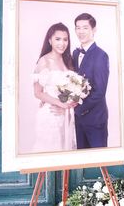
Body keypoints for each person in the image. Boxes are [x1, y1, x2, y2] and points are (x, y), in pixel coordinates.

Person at [32, 22, 77, 153]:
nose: (62, 43)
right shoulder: (44, 61)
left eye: (65, 39)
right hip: (51, 114)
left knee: (66, 154)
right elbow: (38, 92)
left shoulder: (68, 60)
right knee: (49, 153)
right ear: (50, 40)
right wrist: (60, 104)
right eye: (58, 39)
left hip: (67, 115)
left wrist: (68, 105)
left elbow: (74, 89)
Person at [72, 13, 109, 149]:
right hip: (77, 120)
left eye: (85, 28)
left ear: (94, 30)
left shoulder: (101, 55)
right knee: (81, 160)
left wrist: (78, 109)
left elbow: (100, 91)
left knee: (99, 159)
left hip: (95, 119)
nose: (81, 31)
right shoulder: (75, 54)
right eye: (78, 28)